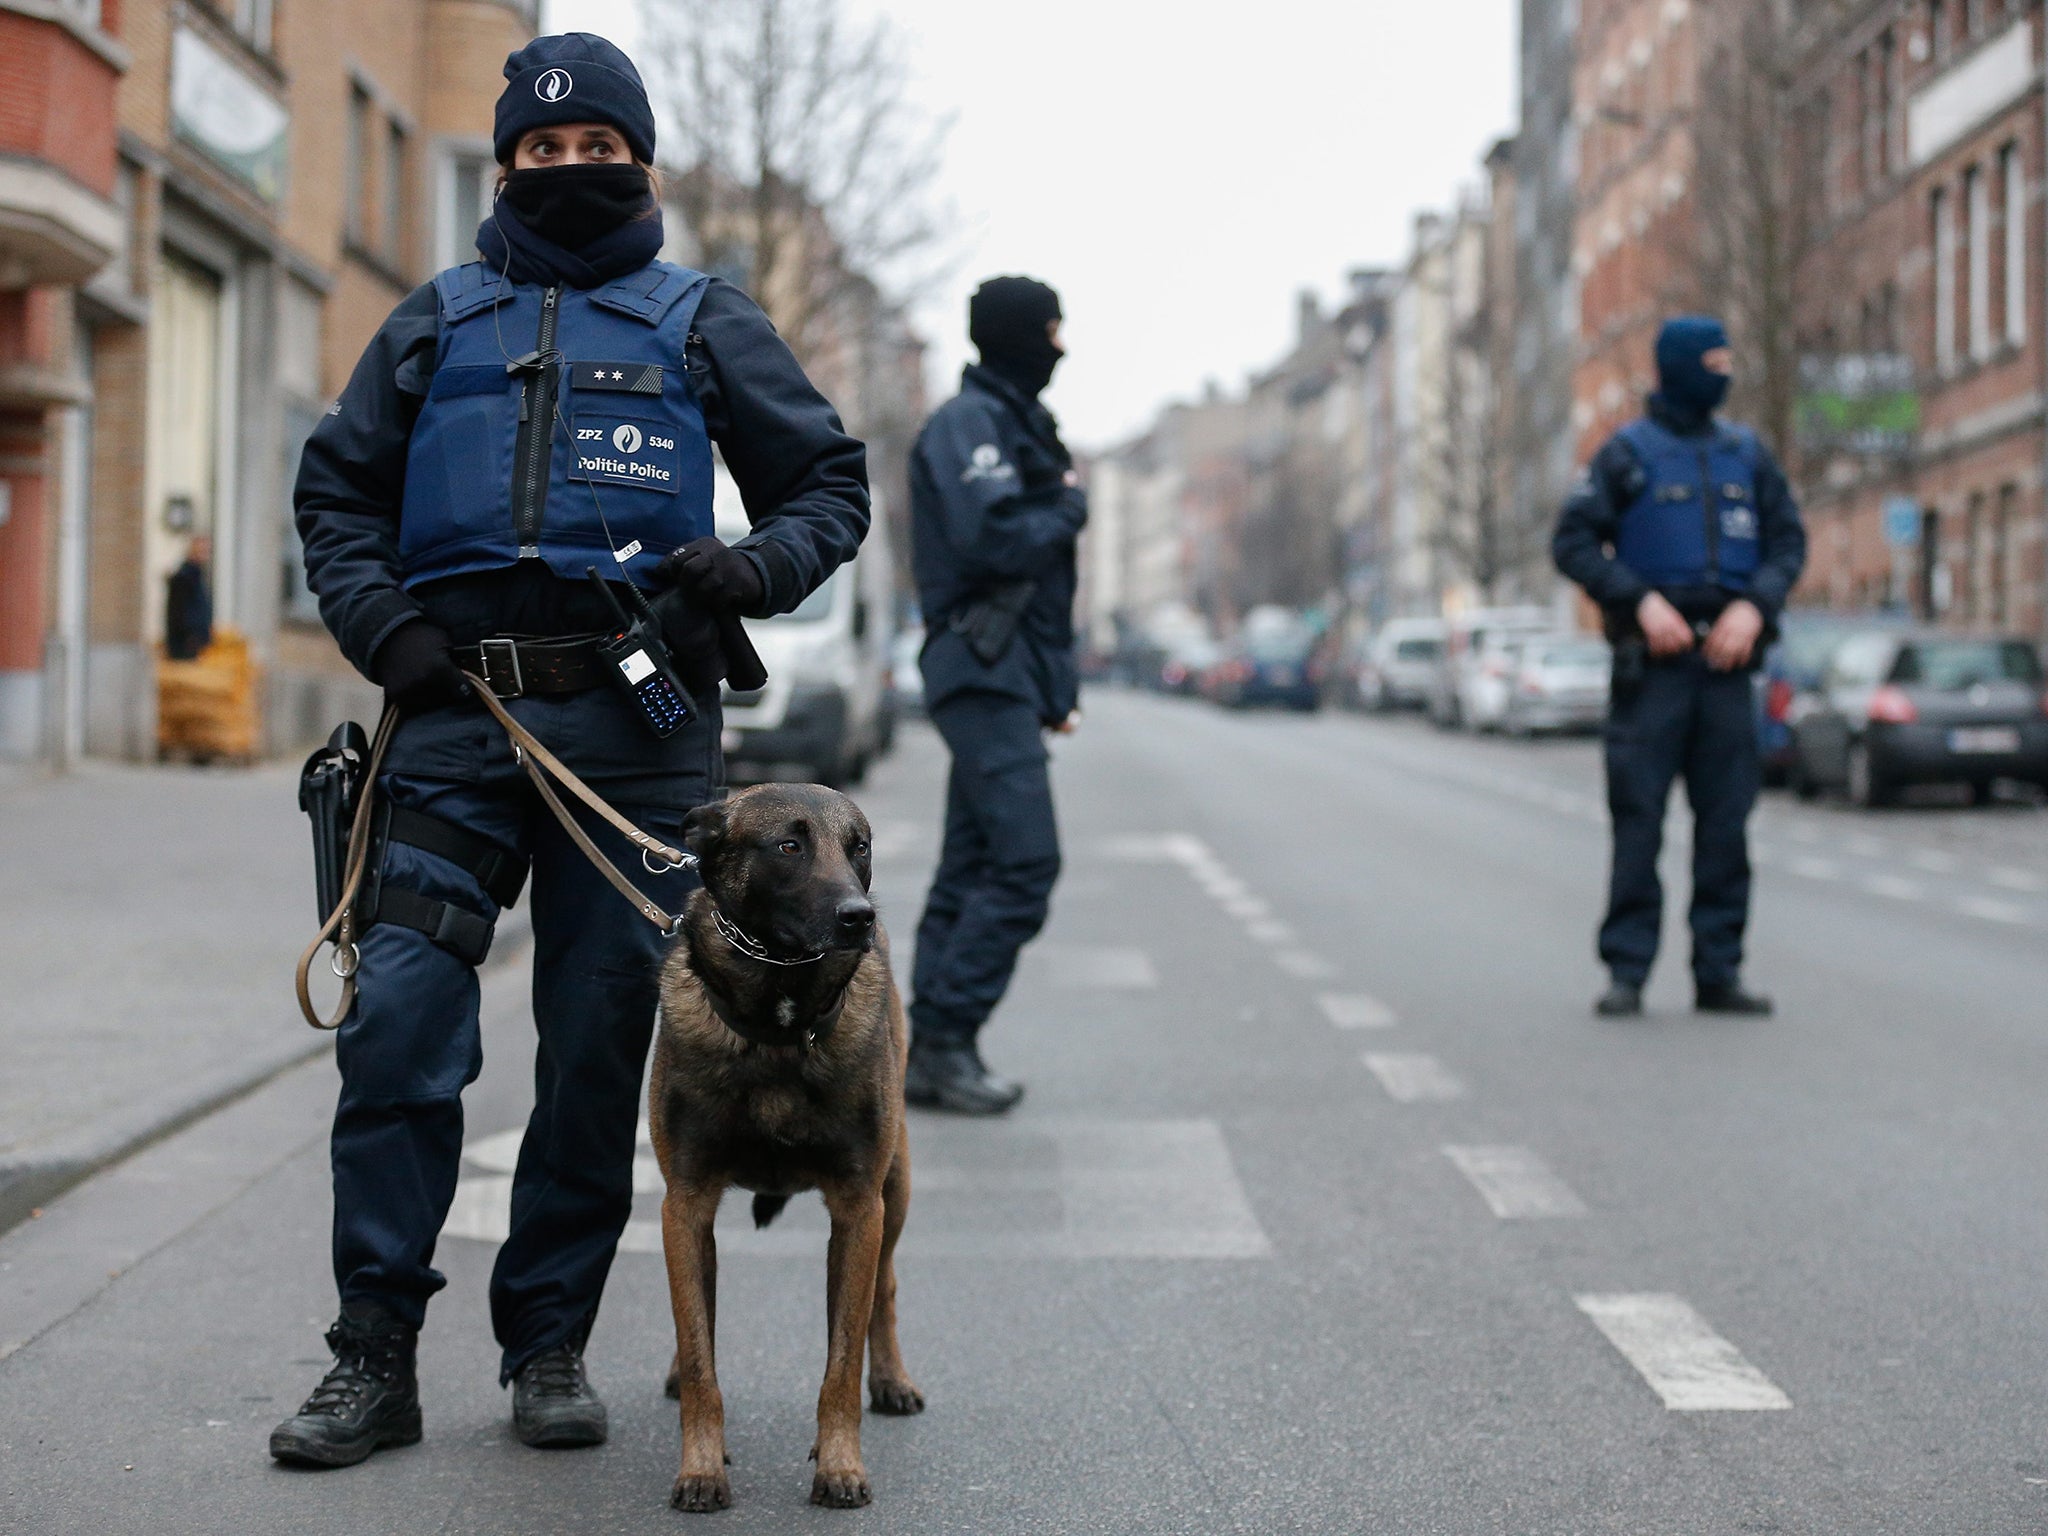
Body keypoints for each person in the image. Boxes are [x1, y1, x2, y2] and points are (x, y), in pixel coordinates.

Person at [272, 33, 868, 1468]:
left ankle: (548, 1346)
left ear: (638, 161)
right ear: (507, 166)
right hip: (454, 722)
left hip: (634, 737)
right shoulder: (434, 318)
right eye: (542, 153)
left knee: (599, 1052)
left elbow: (828, 483)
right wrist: (383, 631)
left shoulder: (702, 319)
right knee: (403, 1021)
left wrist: (751, 567)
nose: (569, 169)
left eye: (597, 149)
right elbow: (336, 493)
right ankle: (375, 1356)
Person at [1553, 315, 1806, 1019]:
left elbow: (1787, 542)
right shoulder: (1626, 455)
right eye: (1714, 361)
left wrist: (1754, 607)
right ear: (1681, 367)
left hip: (1727, 671)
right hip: (1651, 673)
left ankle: (1718, 972)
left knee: (1726, 827)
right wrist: (1639, 602)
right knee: (1639, 823)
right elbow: (1572, 542)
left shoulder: (1747, 455)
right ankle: (1627, 970)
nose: (1724, 374)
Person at [904, 276, 1086, 1115]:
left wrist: (1055, 688)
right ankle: (943, 1035)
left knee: (972, 863)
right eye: (1050, 331)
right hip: (980, 670)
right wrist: (1070, 508)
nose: (1059, 347)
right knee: (1024, 862)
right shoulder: (969, 425)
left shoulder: (1014, 423)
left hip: (1001, 671)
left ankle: (928, 1047)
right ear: (1015, 336)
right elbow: (992, 538)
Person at [163, 533, 213, 661]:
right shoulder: (185, 577)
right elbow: (181, 613)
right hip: (186, 645)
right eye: (201, 550)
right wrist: (192, 636)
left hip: (193, 644)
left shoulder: (196, 575)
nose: (205, 555)